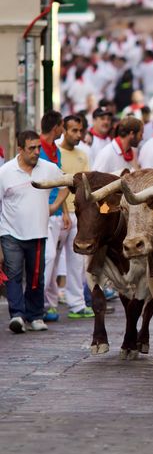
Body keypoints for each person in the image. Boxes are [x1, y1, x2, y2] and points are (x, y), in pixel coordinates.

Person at [0, 131, 67, 333]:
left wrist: (55, 206)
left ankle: (35, 315)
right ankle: (18, 315)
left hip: (38, 231)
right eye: (31, 148)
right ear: (20, 149)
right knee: (14, 274)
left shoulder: (48, 169)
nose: (37, 152)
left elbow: (66, 184)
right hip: (10, 231)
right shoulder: (5, 172)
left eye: (38, 147)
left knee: (36, 276)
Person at [56, 116, 94, 319]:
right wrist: (63, 211)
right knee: (51, 260)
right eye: (74, 130)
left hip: (79, 214)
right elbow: (58, 184)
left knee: (78, 261)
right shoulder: (56, 152)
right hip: (60, 213)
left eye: (80, 131)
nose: (78, 135)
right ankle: (48, 304)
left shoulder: (83, 154)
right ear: (63, 129)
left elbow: (87, 187)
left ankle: (77, 304)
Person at [40, 111, 72, 322]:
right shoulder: (38, 148)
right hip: (43, 213)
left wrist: (65, 211)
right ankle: (39, 302)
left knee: (54, 259)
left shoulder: (55, 152)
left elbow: (61, 182)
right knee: (49, 257)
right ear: (57, 128)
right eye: (63, 126)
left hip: (57, 212)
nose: (63, 130)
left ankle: (49, 304)